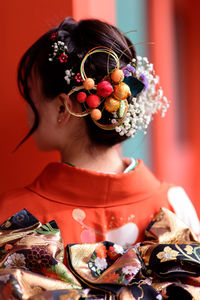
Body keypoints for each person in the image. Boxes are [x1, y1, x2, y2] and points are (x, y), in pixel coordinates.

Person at [0, 17, 199, 248]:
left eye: (31, 96)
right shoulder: (173, 206)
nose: (27, 110)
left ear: (63, 107)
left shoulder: (14, 216)